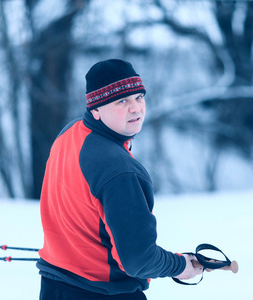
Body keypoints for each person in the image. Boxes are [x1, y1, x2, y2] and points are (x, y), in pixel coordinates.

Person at [37, 59, 203, 299]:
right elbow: (138, 260)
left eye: (139, 97)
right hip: (103, 292)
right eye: (121, 101)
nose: (135, 108)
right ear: (95, 109)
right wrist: (180, 266)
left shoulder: (69, 134)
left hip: (54, 287)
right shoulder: (119, 170)